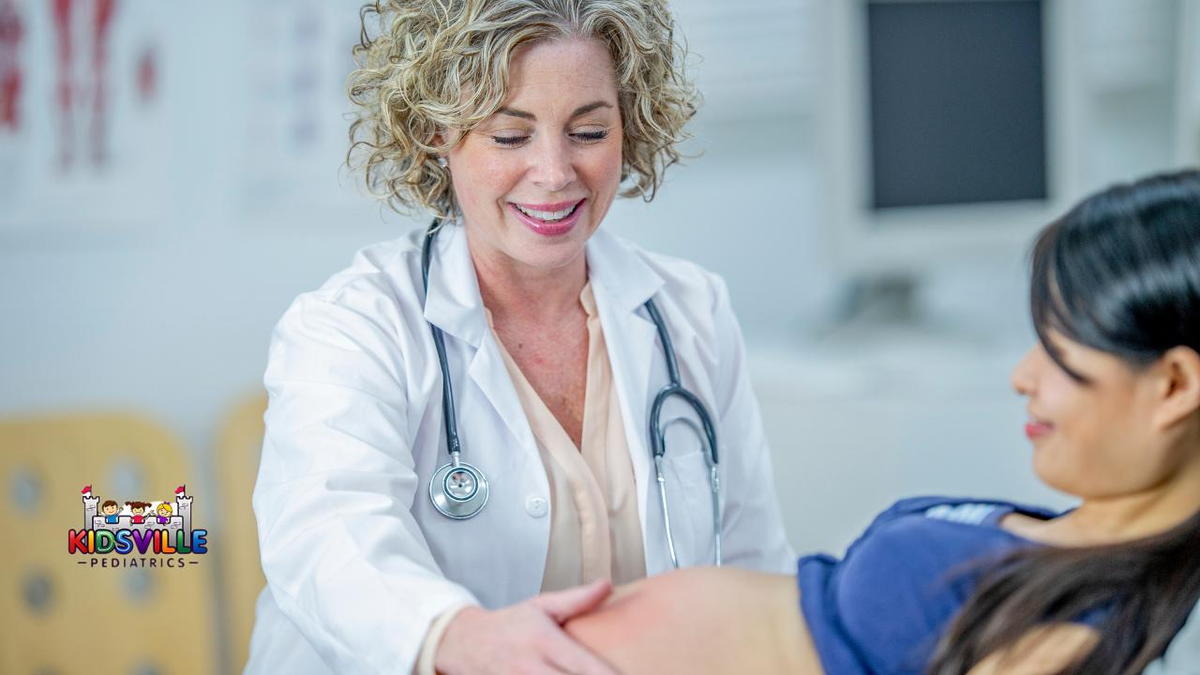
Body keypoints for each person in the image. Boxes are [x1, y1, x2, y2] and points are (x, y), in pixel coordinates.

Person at [247, 1, 794, 673]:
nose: (556, 171)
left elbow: (753, 567)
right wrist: (451, 634)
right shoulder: (353, 328)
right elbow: (327, 534)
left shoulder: (690, 312)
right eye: (511, 137)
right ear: (435, 134)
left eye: (589, 131)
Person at [563, 169, 1200, 674]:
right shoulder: (1074, 545)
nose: (1023, 376)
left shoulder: (1070, 637)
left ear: (1174, 385)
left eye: (1059, 351)